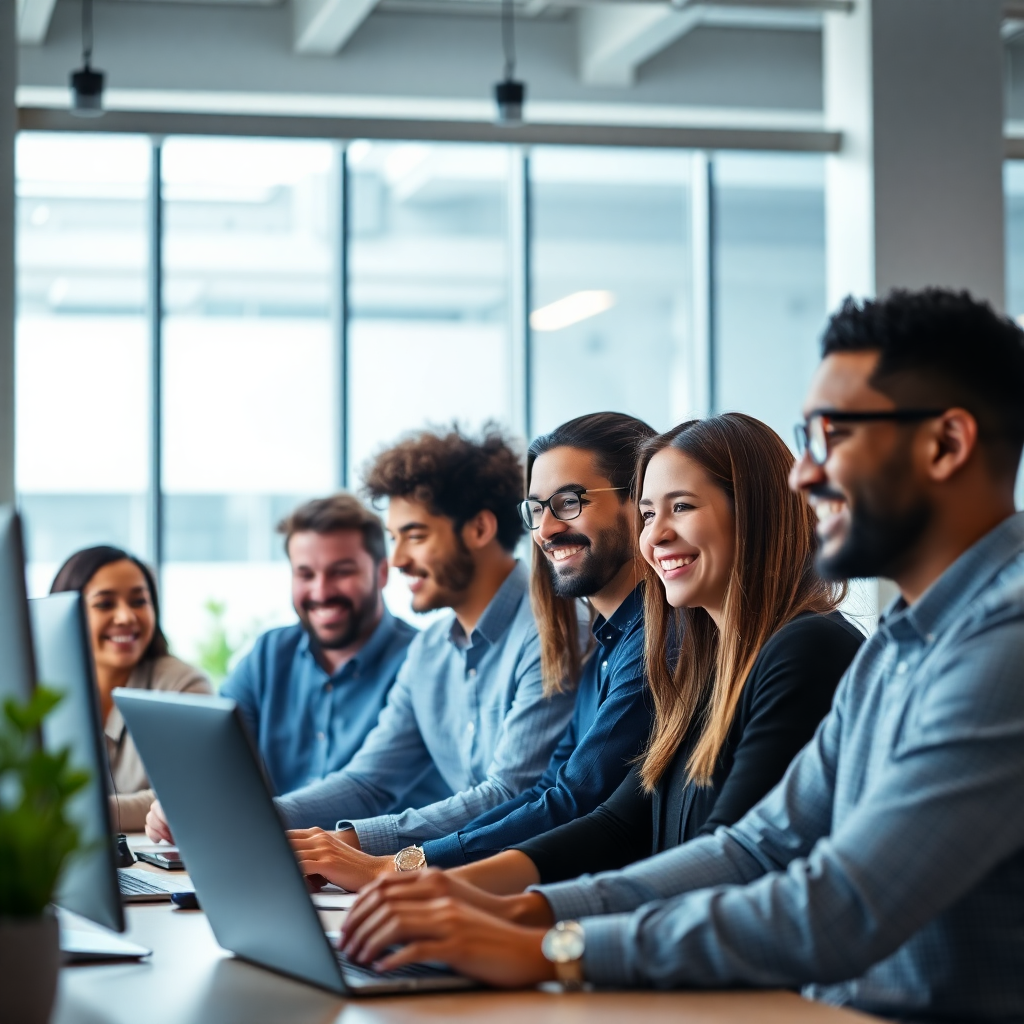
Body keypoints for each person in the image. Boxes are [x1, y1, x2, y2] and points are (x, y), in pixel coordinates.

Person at [337, 288, 1024, 1023]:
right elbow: (755, 847)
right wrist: (523, 914)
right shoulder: (897, 647)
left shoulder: (1003, 649)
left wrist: (551, 948)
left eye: (835, 435)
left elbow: (841, 903)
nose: (805, 474)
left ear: (946, 444)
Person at [393, 412, 863, 900]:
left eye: (681, 507)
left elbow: (729, 859)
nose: (655, 536)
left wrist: (524, 921)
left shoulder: (806, 648)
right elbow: (616, 824)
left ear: (755, 512)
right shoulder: (703, 662)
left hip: (735, 966)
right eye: (649, 514)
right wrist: (424, 885)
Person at [288, 412, 663, 888]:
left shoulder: (584, 632)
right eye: (537, 509)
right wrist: (263, 822)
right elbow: (552, 790)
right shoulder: (605, 640)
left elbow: (555, 799)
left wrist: (397, 863)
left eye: (568, 503)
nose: (545, 530)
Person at [187, 425, 578, 855]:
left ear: (480, 528)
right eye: (394, 539)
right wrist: (253, 817)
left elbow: (508, 796)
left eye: (415, 535)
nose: (396, 560)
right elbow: (369, 782)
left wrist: (349, 841)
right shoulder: (429, 652)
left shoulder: (552, 629)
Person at [50, 546, 211, 833]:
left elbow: (190, 796)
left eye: (139, 601)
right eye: (105, 604)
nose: (125, 617)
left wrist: (74, 813)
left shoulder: (182, 686)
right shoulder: (43, 689)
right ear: (66, 614)